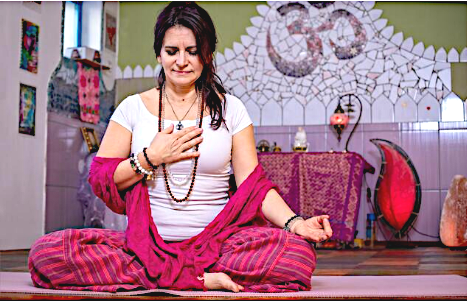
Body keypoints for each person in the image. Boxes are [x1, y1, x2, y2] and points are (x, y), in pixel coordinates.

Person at [29, 2, 332, 293]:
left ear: (208, 54)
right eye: (171, 51)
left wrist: (296, 223)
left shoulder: (231, 110)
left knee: (296, 255)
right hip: (144, 247)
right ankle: (200, 279)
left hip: (218, 246)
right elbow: (101, 177)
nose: (182, 61)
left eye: (192, 51)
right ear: (159, 54)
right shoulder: (132, 108)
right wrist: (149, 158)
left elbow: (254, 187)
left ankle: (168, 277)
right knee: (47, 254)